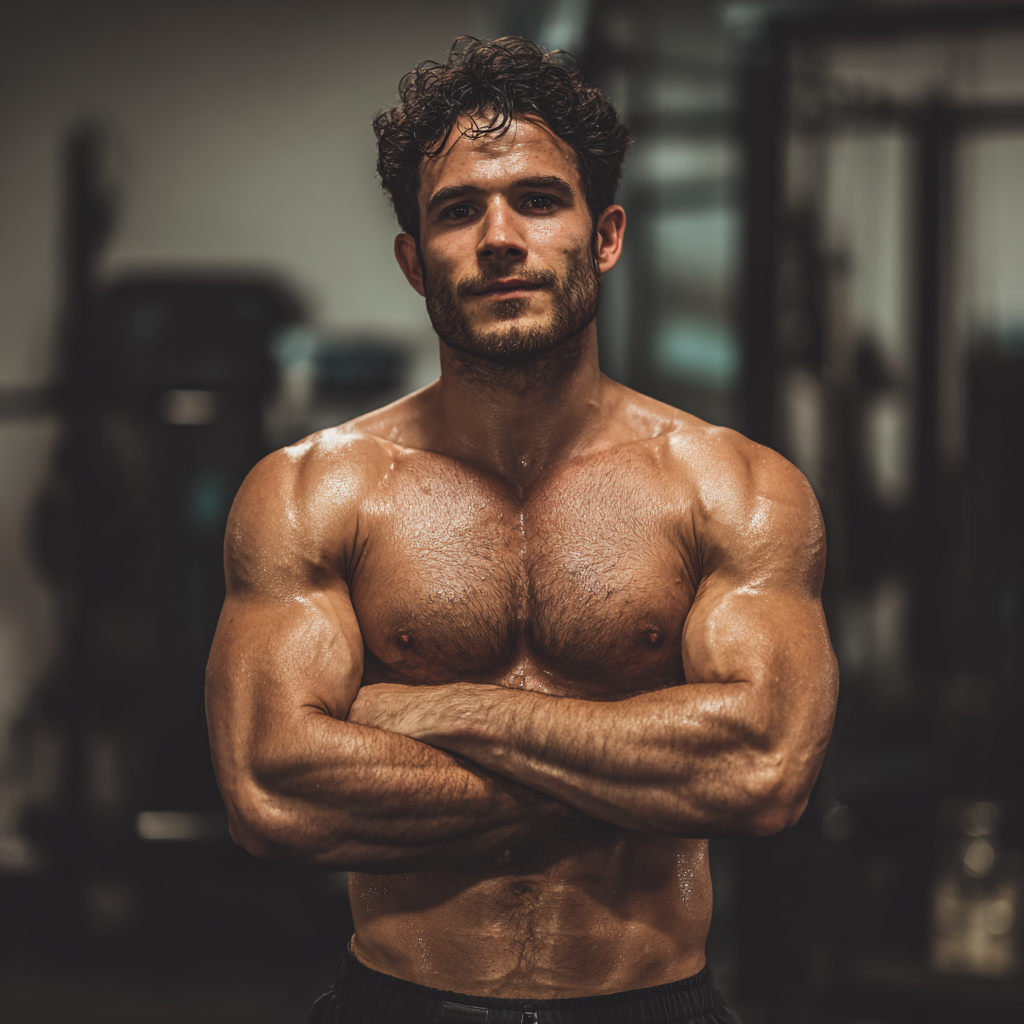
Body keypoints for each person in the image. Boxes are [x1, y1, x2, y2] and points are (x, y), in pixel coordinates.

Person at [205, 36, 838, 1024]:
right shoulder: (311, 492)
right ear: (416, 260)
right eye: (459, 211)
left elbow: (761, 773)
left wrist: (425, 710)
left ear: (605, 235)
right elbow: (271, 792)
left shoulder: (730, 484)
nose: (500, 236)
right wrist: (640, 769)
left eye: (539, 200)